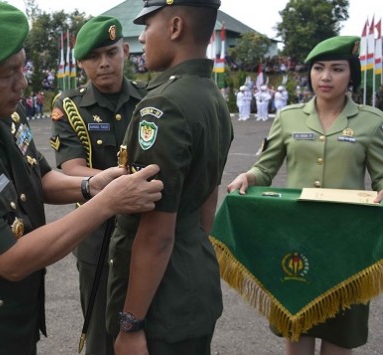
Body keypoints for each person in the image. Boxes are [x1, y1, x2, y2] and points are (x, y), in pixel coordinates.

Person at [0, 1, 164, 354]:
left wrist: (90, 186)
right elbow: (12, 260)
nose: (23, 83)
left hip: (17, 315)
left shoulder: (0, 114)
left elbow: (37, 177)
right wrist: (107, 203)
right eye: (8, 74)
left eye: (22, 67)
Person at [227, 35, 383, 355]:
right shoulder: (288, 117)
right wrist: (248, 176)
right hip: (296, 243)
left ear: (351, 74)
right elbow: (265, 168)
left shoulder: (372, 121)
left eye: (336, 69)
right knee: (297, 330)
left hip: (347, 246)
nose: (325, 77)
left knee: (341, 337)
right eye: (318, 68)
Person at [107, 1, 233, 354]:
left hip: (159, 303)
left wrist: (131, 324)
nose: (143, 37)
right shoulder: (211, 96)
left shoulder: (163, 106)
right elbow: (208, 199)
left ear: (175, 27)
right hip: (191, 280)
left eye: (148, 25)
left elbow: (156, 235)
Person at [51, 15, 146, 355]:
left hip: (146, 228)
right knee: (101, 328)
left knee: (149, 324)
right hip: (96, 231)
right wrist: (123, 184)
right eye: (94, 57)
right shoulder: (70, 106)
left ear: (125, 50)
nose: (104, 63)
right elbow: (72, 167)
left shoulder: (150, 99)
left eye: (110, 52)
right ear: (81, 64)